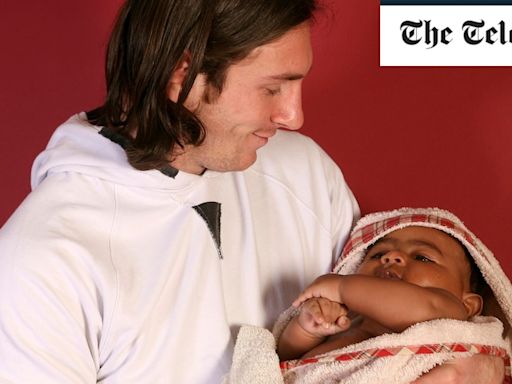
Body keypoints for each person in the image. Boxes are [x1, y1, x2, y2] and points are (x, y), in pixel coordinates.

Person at [0, 1, 503, 383]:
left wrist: (476, 366)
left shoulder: (304, 171)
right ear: (183, 74)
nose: (294, 116)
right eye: (272, 88)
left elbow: (414, 332)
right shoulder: (41, 262)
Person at [278, 224, 485, 360]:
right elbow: (285, 360)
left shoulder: (450, 313)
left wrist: (342, 287)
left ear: (469, 305)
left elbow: (430, 308)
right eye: (378, 254)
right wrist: (308, 329)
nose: (391, 256)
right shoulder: (345, 322)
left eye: (422, 257)